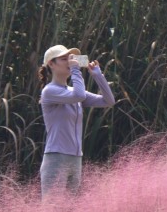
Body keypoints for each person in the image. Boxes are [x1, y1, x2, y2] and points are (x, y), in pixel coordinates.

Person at [38, 44, 115, 198]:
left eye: (72, 58)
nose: (70, 61)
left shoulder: (73, 91)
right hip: (56, 159)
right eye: (64, 59)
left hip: (76, 159)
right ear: (51, 64)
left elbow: (109, 101)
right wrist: (75, 69)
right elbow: (79, 96)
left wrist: (97, 75)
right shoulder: (49, 91)